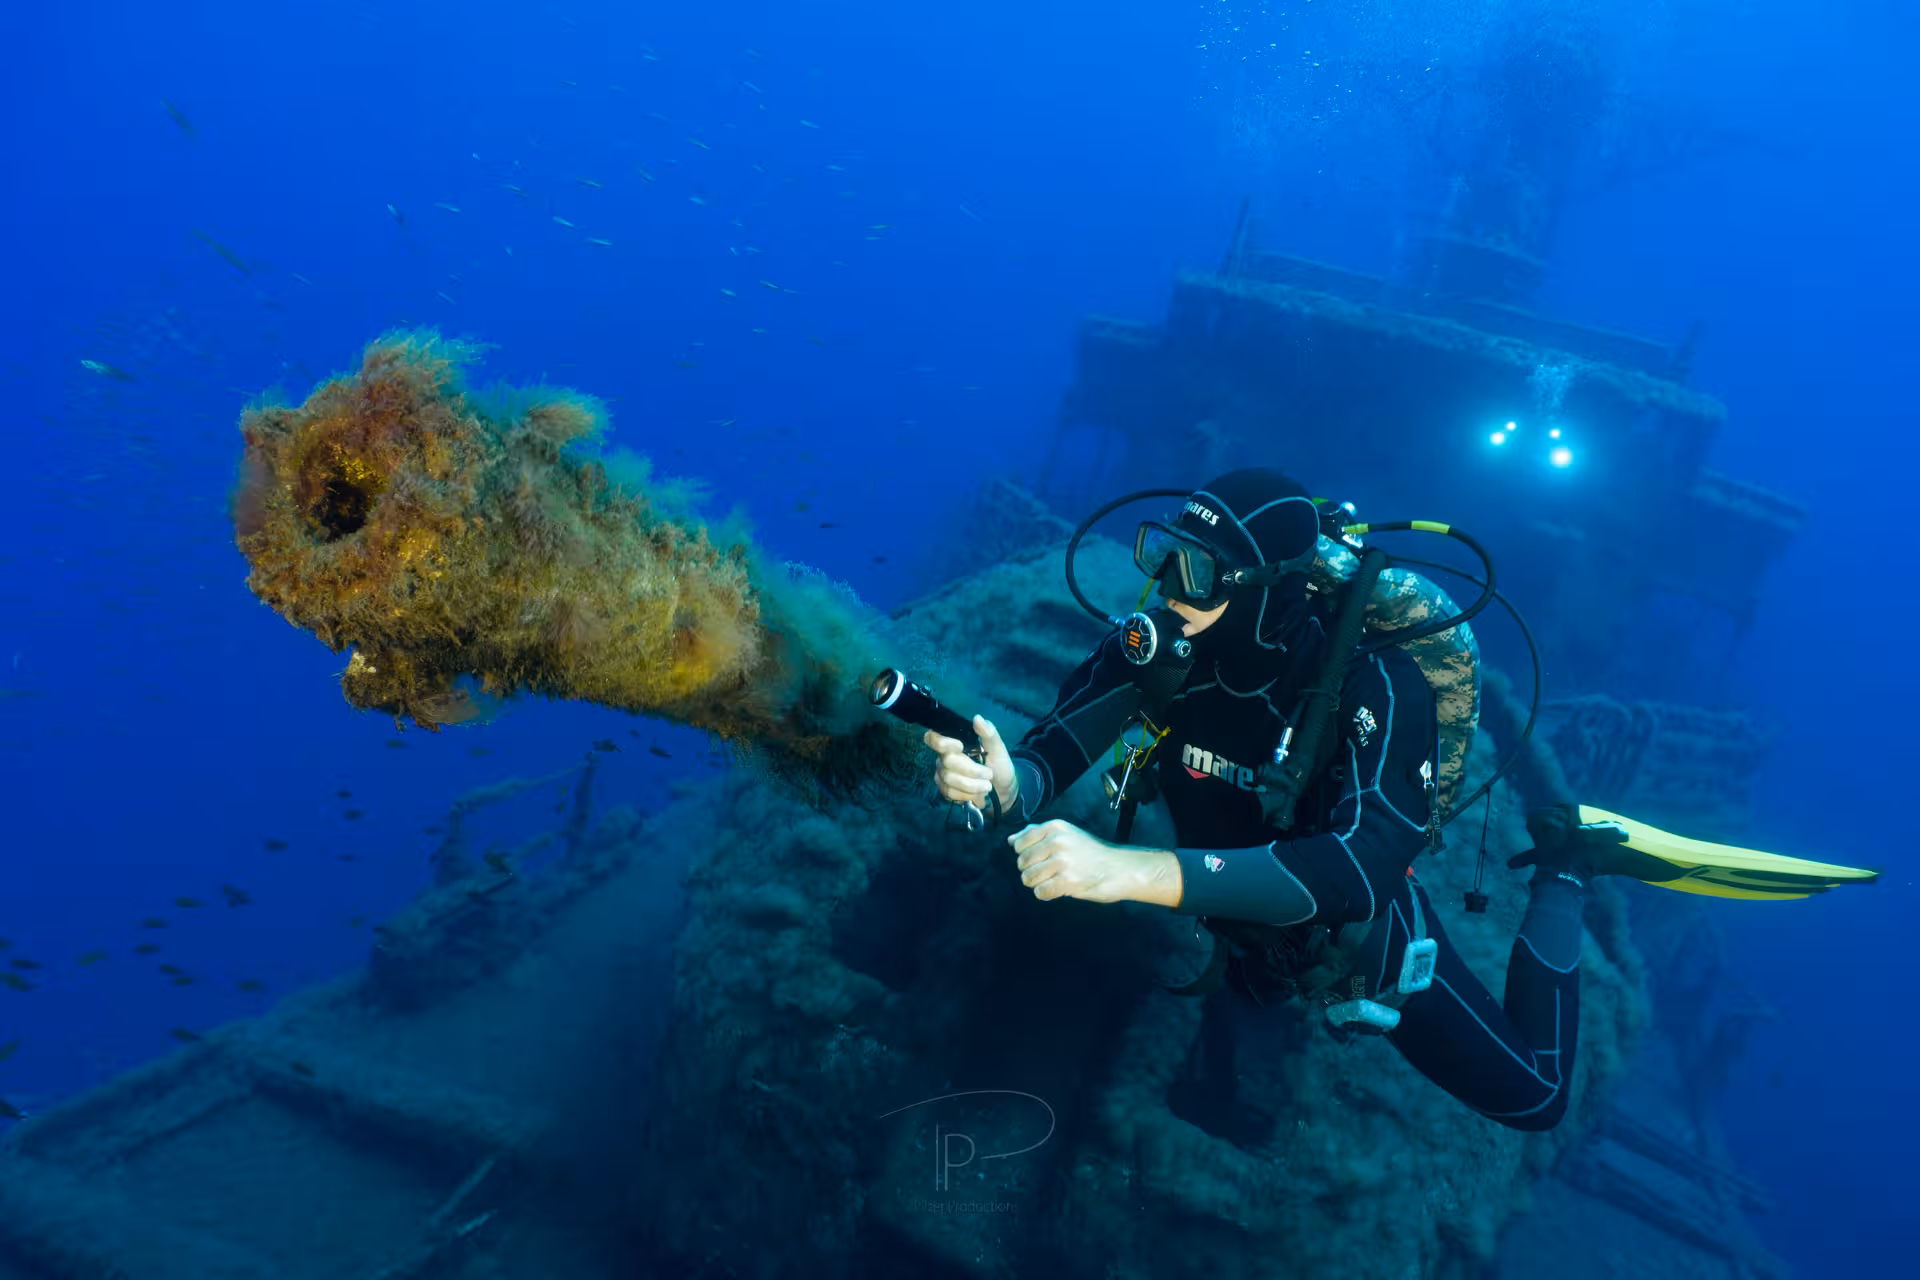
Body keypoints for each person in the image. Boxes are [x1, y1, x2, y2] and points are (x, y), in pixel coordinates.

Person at [923, 467, 1606, 1131]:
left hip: (1348, 941)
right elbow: (1053, 753)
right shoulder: (1160, 646)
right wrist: (1010, 783)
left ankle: (1567, 866)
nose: (1167, 586)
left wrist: (1126, 872)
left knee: (1536, 1099)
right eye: (1163, 554)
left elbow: (1360, 870)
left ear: (1269, 588)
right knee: (1242, 1001)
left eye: (1197, 570)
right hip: (1229, 916)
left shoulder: (1379, 684)